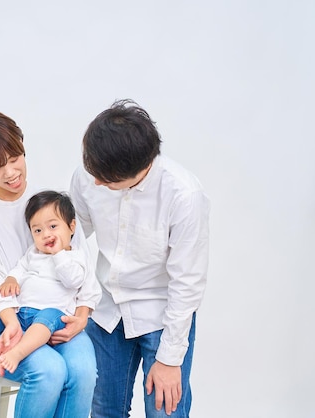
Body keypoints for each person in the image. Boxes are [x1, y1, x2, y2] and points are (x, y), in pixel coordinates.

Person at [0, 111, 101, 418]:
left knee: (83, 371)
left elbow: (81, 262)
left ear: (22, 146)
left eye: (14, 158)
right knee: (48, 371)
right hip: (3, 326)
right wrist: (11, 320)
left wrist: (82, 317)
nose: (10, 173)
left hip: (57, 318)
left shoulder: (48, 202)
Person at [69, 100, 210, 418]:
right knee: (104, 411)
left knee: (165, 413)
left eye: (105, 180)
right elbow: (70, 238)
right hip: (106, 311)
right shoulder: (92, 172)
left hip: (162, 315)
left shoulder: (183, 196)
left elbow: (187, 283)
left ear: (136, 171)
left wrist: (171, 358)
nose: (95, 182)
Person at [0, 190, 90, 390]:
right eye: (37, 231)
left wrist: (59, 254)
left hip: (51, 314)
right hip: (20, 311)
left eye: (53, 226)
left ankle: (18, 353)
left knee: (45, 323)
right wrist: (11, 279)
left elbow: (73, 281)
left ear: (71, 227)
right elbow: (20, 267)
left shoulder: (75, 257)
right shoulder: (33, 253)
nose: (46, 235)